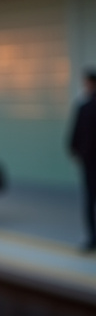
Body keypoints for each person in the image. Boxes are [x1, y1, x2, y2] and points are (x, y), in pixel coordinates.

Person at [68, 69, 96, 251]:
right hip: (89, 158)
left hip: (89, 160)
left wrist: (75, 151)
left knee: (90, 199)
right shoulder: (83, 106)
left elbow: (75, 134)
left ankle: (92, 237)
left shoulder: (84, 107)